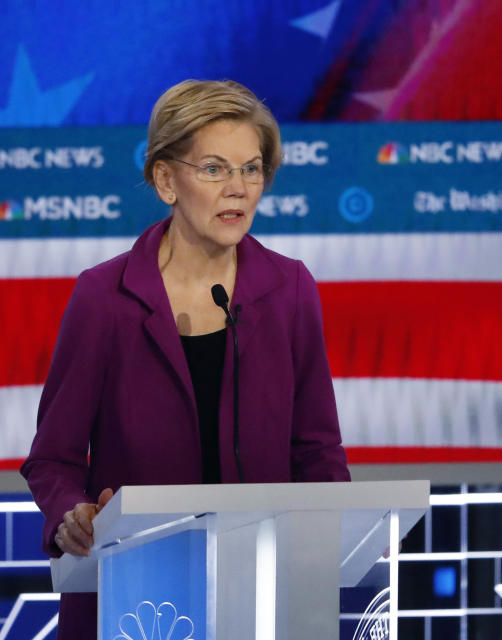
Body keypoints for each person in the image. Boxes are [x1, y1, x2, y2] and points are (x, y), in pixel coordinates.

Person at [20, 79, 350, 639]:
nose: (239, 189)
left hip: (261, 592)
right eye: (216, 169)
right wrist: (71, 514)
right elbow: (52, 460)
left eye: (252, 169)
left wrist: (328, 546)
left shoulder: (290, 289)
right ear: (166, 180)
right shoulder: (105, 297)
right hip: (135, 600)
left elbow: (317, 452)